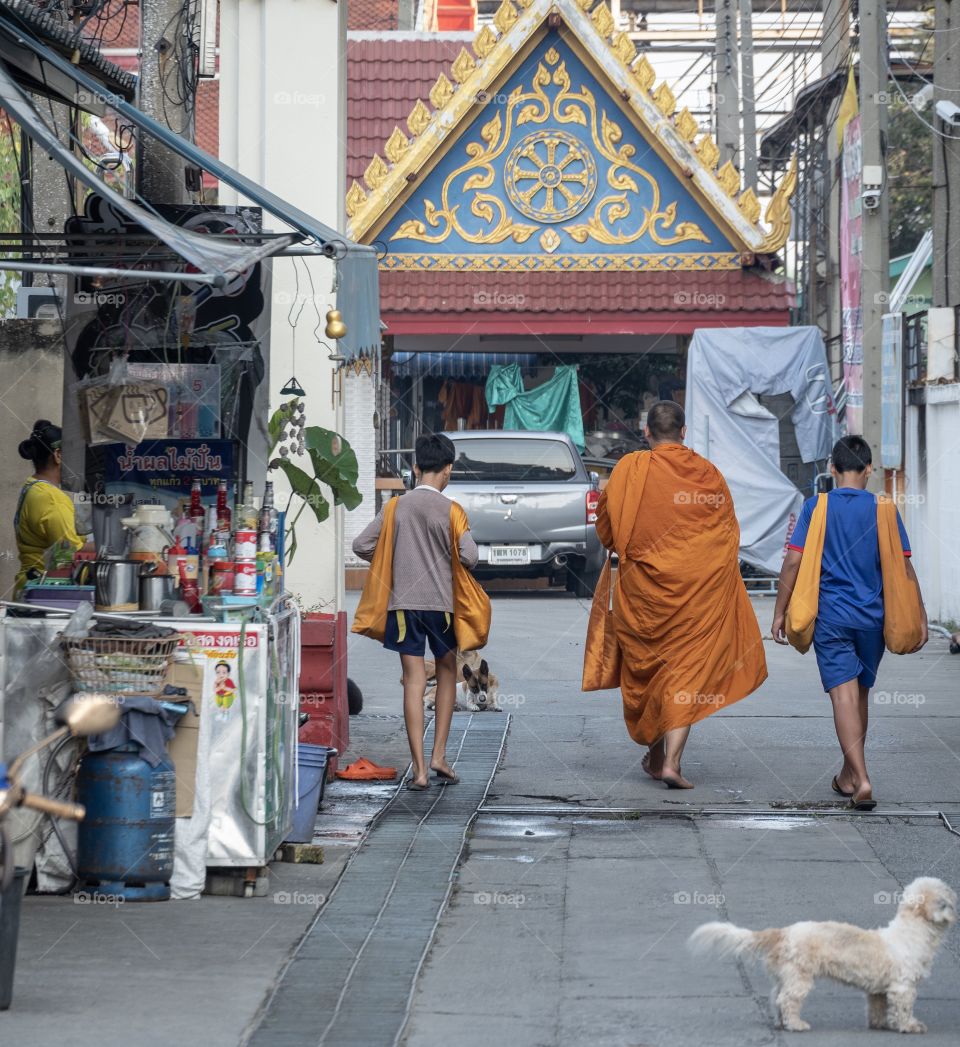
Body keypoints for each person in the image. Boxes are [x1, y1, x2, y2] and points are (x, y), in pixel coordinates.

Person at [584, 400, 767, 788]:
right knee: (686, 671)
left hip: (643, 595)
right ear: (684, 433)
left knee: (651, 673)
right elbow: (727, 534)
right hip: (696, 593)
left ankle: (659, 756)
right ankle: (668, 761)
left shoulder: (628, 471)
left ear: (647, 432)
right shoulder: (707, 474)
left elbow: (606, 526)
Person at [772, 435, 927, 810]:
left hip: (832, 617)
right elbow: (904, 565)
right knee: (858, 696)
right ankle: (847, 775)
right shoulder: (885, 509)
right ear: (869, 469)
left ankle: (862, 779)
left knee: (842, 696)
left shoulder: (817, 506)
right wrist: (920, 614)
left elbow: (793, 561)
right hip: (873, 619)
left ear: (832, 468)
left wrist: (780, 610)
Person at [351, 433, 489, 790]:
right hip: (442, 607)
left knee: (413, 681)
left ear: (415, 468)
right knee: (446, 673)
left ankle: (419, 771)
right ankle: (439, 756)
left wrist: (389, 561)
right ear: (448, 470)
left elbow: (361, 545)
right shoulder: (452, 511)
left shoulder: (395, 507)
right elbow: (470, 557)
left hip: (402, 608)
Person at [13, 419, 83, 597]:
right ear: (58, 455)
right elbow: (68, 553)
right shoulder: (52, 498)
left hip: (26, 586)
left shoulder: (32, 487)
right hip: (40, 593)